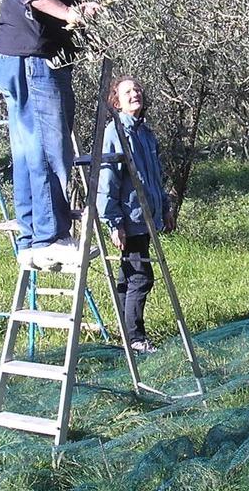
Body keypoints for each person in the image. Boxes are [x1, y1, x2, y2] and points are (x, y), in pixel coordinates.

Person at [0, 0, 102, 265]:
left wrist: (75, 10)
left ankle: (34, 241)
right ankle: (51, 236)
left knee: (28, 148)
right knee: (48, 146)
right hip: (34, 58)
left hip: (18, 55)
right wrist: (66, 12)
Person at [97, 75, 175, 354]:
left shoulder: (145, 133)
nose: (135, 94)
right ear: (116, 101)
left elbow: (155, 175)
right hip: (129, 218)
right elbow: (107, 181)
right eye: (128, 91)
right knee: (141, 277)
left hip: (146, 217)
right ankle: (135, 338)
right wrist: (114, 222)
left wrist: (164, 206)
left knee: (129, 275)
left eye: (138, 90)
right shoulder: (114, 132)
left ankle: (125, 331)